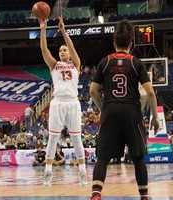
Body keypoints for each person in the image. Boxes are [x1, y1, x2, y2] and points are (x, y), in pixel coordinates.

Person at [89, 20, 160, 200]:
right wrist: (155, 117)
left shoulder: (105, 62)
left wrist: (102, 107)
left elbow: (92, 91)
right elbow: (150, 92)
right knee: (138, 158)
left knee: (103, 157)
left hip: (110, 110)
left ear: (114, 44)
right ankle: (144, 196)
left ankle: (96, 195)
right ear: (131, 44)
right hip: (131, 112)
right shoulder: (136, 63)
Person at [39, 16, 87, 187]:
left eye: (64, 50)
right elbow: (44, 50)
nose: (62, 52)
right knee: (52, 138)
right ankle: (48, 172)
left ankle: (83, 172)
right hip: (57, 102)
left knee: (77, 139)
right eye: (60, 50)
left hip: (73, 103)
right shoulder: (54, 65)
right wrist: (43, 29)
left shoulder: (76, 64)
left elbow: (73, 49)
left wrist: (63, 31)